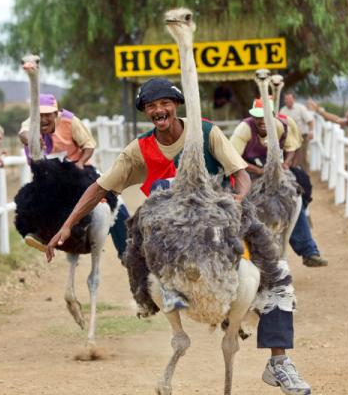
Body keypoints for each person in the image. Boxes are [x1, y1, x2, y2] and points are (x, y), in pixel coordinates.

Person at [47, 78, 311, 395]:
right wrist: (67, 223)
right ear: (146, 112)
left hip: (219, 221)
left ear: (175, 105)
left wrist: (237, 201)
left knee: (277, 273)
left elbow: (239, 173)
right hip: (171, 235)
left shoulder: (207, 132)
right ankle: (149, 300)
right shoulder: (140, 150)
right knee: (140, 241)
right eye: (151, 106)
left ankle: (279, 363)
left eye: (163, 104)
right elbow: (100, 187)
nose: (158, 110)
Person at [18, 93, 129, 258]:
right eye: (40, 115)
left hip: (77, 171)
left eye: (48, 114)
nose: (43, 119)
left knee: (114, 200)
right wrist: (32, 139)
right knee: (31, 200)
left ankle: (126, 250)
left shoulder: (70, 121)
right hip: (52, 177)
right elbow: (23, 133)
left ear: (56, 113)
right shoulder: (32, 122)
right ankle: (40, 234)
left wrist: (81, 162)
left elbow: (89, 145)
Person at [230, 98, 328, 268]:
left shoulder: (284, 125)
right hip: (249, 172)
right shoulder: (245, 128)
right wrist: (259, 171)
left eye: (265, 117)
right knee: (238, 203)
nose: (261, 121)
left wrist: (286, 163)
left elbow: (292, 147)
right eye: (257, 117)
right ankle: (234, 253)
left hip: (277, 170)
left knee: (294, 196)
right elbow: (233, 157)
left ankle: (308, 250)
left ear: (273, 115)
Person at [280, 92, 315, 170]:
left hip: (301, 136)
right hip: (288, 138)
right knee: (288, 158)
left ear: (293, 99)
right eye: (286, 99)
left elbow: (310, 121)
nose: (288, 101)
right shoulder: (282, 110)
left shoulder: (301, 108)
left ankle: (304, 176)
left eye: (289, 99)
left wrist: (311, 131)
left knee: (301, 158)